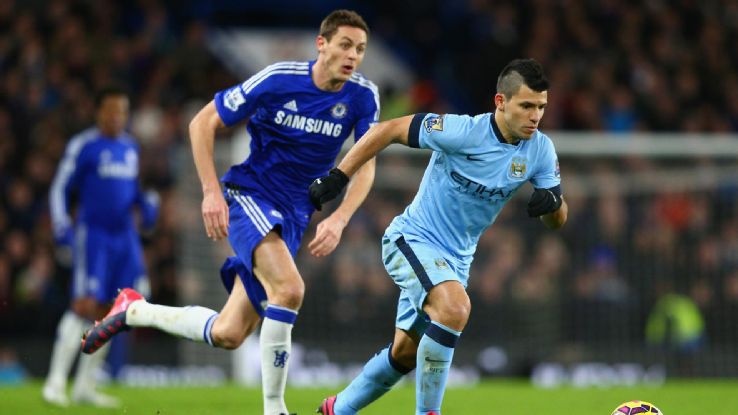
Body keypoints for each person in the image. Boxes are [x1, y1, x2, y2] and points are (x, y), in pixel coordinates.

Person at [80, 9, 379, 415]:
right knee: (290, 290)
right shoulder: (278, 79)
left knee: (229, 333)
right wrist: (210, 193)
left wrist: (340, 218)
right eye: (345, 45)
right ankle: (275, 409)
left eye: (360, 49)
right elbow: (202, 123)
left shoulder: (362, 97)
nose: (353, 56)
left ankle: (133, 310)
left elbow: (366, 163)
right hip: (252, 195)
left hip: (294, 216)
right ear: (321, 44)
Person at [310, 58, 568, 415]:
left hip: (457, 260)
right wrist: (338, 177)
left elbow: (557, 220)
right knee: (455, 308)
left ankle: (335, 410)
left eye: (541, 107)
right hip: (412, 240)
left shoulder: (540, 150)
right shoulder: (462, 131)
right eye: (526, 106)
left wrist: (553, 204)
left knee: (404, 354)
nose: (535, 116)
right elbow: (387, 130)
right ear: (501, 102)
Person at [43, 86, 159, 408]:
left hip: (125, 238)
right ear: (98, 112)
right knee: (83, 305)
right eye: (111, 110)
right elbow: (60, 187)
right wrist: (61, 224)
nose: (116, 117)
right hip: (94, 236)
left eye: (122, 111)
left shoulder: (130, 147)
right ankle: (55, 382)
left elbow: (132, 190)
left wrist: (145, 203)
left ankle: (85, 386)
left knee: (113, 311)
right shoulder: (84, 145)